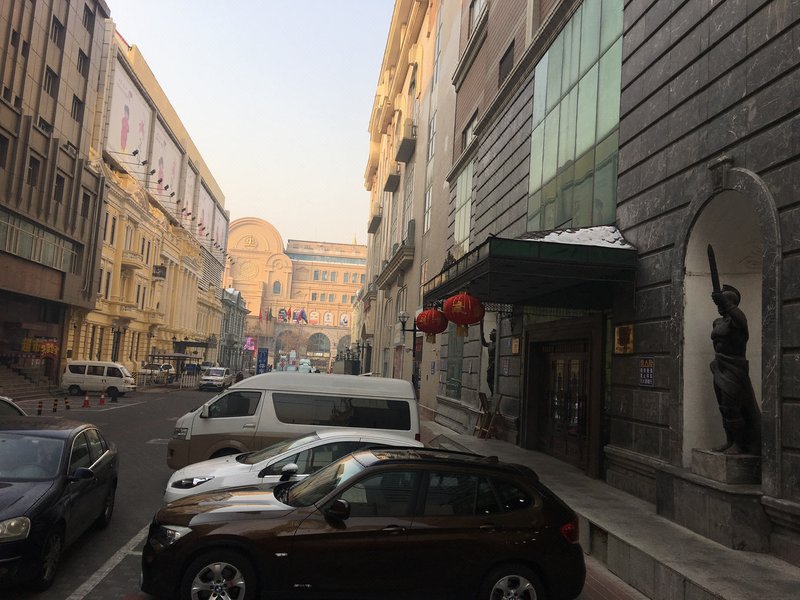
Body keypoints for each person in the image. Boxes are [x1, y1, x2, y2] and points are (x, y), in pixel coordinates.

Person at [709, 285, 761, 455]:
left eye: (722, 302)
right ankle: (730, 440)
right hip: (720, 366)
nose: (718, 305)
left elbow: (740, 320)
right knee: (724, 407)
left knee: (731, 406)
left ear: (731, 303)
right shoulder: (718, 322)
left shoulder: (738, 321)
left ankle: (740, 443)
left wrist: (725, 301)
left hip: (734, 368)